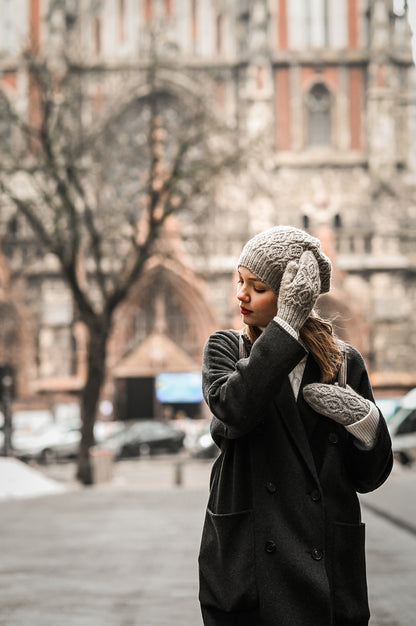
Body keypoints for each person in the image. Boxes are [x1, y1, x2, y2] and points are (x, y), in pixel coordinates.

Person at [198, 225, 393, 626]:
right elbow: (234, 410)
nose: (241, 295)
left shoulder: (344, 363)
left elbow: (369, 477)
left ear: (289, 292)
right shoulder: (225, 348)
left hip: (327, 568)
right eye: (240, 281)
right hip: (249, 565)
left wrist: (365, 422)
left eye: (258, 287)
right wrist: (286, 324)